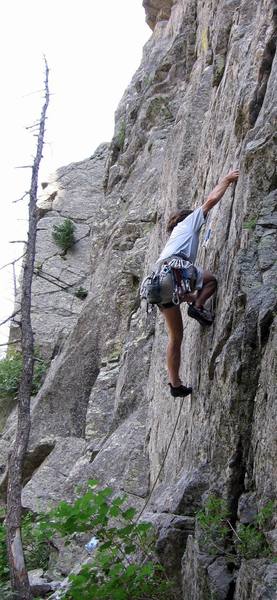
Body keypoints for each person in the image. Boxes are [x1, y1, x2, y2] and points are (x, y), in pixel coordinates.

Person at [157, 170, 239, 398]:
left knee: (176, 337)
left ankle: (175, 385)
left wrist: (190, 298)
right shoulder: (187, 224)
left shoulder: (172, 240)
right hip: (175, 270)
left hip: (158, 283)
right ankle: (200, 308)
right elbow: (210, 201)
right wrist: (226, 180)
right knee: (210, 280)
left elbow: (179, 291)